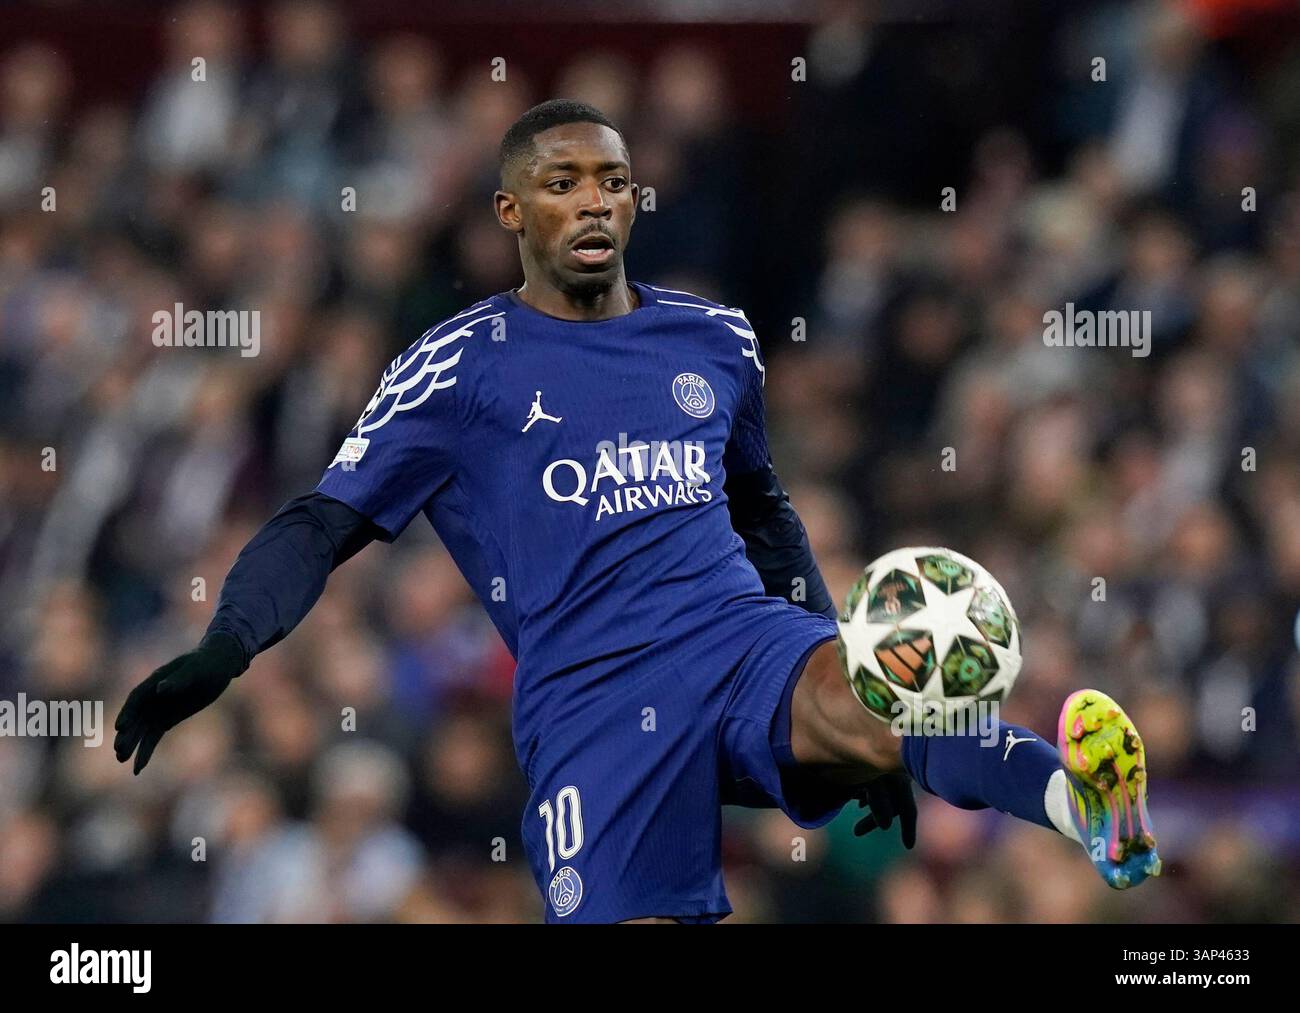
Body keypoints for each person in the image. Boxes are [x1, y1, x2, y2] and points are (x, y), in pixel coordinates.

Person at [115, 100, 1160, 923]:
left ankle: (1086, 809)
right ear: (510, 212)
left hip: (736, 636)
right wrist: (226, 644)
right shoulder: (450, 370)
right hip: (591, 698)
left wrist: (833, 658)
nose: (594, 203)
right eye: (561, 183)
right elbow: (319, 522)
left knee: (894, 689)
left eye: (613, 182)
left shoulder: (714, 339)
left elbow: (759, 502)